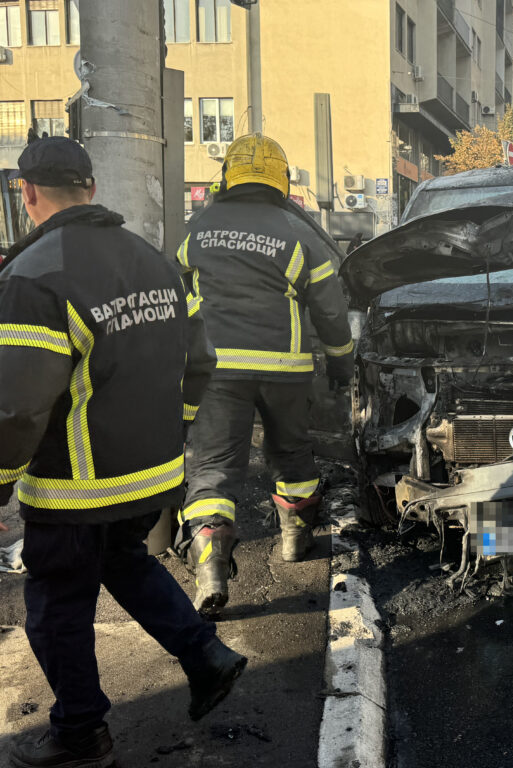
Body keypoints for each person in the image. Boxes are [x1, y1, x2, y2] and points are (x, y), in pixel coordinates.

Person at [0, 137, 247, 768]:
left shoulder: (33, 277)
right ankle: (206, 656)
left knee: (57, 609)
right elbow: (200, 363)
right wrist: (172, 431)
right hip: (153, 477)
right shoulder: (155, 261)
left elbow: (18, 408)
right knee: (126, 563)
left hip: (75, 487)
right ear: (90, 188)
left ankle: (82, 735)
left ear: (28, 195)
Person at [174, 133, 353, 617]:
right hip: (285, 368)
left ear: (227, 177)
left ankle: (210, 561)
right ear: (282, 180)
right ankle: (295, 539)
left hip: (215, 369)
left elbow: (177, 293)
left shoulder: (201, 227)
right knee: (290, 451)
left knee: (212, 466)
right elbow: (331, 310)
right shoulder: (297, 233)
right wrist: (341, 360)